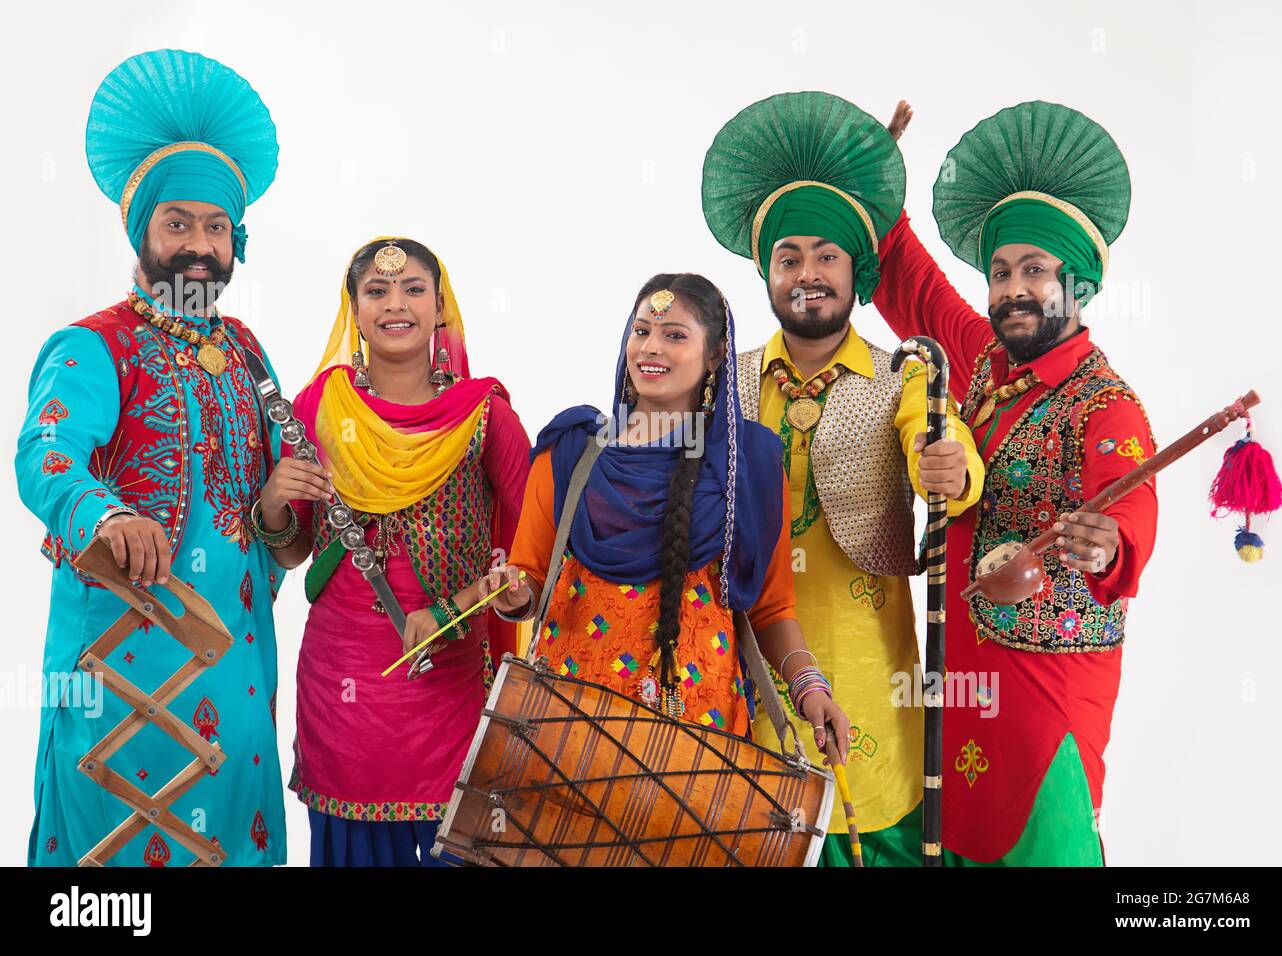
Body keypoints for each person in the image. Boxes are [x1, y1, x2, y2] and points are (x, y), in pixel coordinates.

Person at [16, 49, 286, 866]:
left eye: (215, 227)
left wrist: (283, 501)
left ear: (235, 240)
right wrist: (108, 511)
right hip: (118, 663)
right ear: (144, 234)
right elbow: (46, 452)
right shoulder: (93, 343)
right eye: (179, 224)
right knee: (111, 863)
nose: (198, 246)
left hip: (233, 662)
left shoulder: (247, 352)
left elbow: (278, 501)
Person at [700, 91, 985, 866]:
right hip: (747, 684)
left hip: (871, 692)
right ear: (766, 275)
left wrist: (950, 467)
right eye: (789, 257)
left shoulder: (906, 375)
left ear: (858, 276)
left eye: (828, 255)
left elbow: (948, 454)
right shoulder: (728, 379)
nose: (808, 272)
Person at [871, 100, 1158, 864]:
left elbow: (1130, 498)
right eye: (1001, 272)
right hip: (958, 672)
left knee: (1043, 848)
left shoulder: (1105, 403)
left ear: (1076, 283)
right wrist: (875, 184)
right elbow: (914, 286)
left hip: (1046, 689)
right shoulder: (987, 369)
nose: (1012, 290)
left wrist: (1111, 543)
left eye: (1034, 270)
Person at [484, 272, 850, 763]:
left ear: (716, 354)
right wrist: (510, 593)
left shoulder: (751, 463)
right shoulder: (570, 449)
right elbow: (527, 580)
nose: (649, 347)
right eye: (640, 332)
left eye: (675, 335)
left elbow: (770, 608)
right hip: (566, 723)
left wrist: (810, 690)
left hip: (697, 735)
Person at [255, 237, 530, 866]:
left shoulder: (483, 414)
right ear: (353, 309)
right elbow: (294, 549)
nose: (395, 304)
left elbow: (525, 561)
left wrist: (457, 605)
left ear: (441, 308)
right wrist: (274, 502)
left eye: (413, 289)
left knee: (456, 841)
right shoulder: (318, 408)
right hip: (343, 676)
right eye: (376, 291)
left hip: (451, 681)